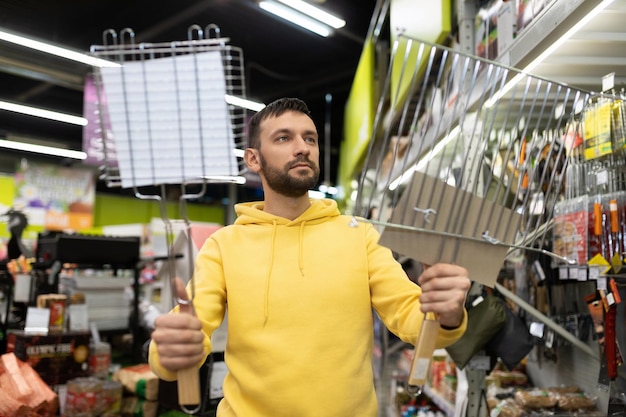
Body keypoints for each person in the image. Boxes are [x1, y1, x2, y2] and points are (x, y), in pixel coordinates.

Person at [148, 97, 471, 416]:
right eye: (284, 138)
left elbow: (410, 315)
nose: (302, 147)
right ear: (253, 159)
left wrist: (446, 313)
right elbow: (189, 328)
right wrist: (172, 349)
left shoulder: (359, 235)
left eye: (310, 138)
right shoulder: (224, 245)